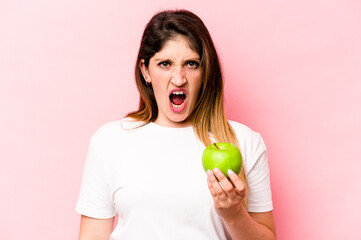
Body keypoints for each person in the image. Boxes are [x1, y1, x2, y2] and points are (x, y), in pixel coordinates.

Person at [76, 9, 276, 240]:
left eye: (191, 64)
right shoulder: (110, 141)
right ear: (145, 71)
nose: (179, 78)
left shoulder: (245, 141)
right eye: (165, 64)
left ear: (205, 71)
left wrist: (233, 214)